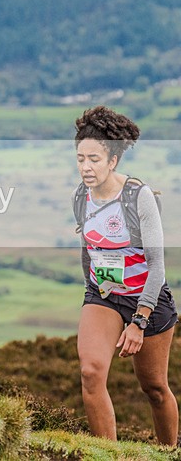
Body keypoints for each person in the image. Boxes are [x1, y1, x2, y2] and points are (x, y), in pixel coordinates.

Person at [73, 105, 178, 445]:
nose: (86, 167)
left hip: (148, 297)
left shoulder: (138, 197)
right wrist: (94, 287)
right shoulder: (80, 196)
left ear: (113, 160)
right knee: (90, 373)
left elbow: (157, 267)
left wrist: (139, 320)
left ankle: (168, 452)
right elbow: (88, 249)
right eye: (80, 158)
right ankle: (110, 454)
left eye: (94, 159)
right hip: (104, 295)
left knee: (154, 389)